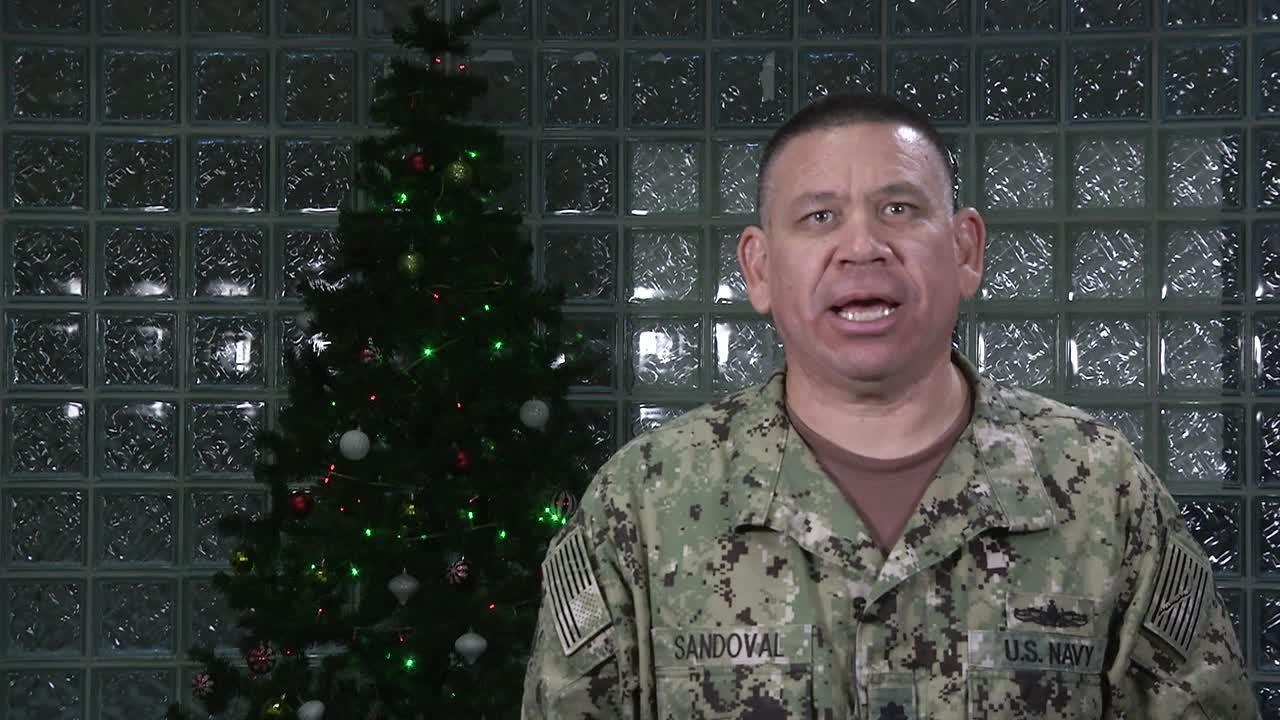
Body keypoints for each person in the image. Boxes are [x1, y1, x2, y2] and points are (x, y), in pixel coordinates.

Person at [519, 91, 1257, 719]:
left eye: (898, 208)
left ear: (965, 250)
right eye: (818, 217)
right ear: (759, 268)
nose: (862, 247)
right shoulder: (643, 503)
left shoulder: (1101, 489)